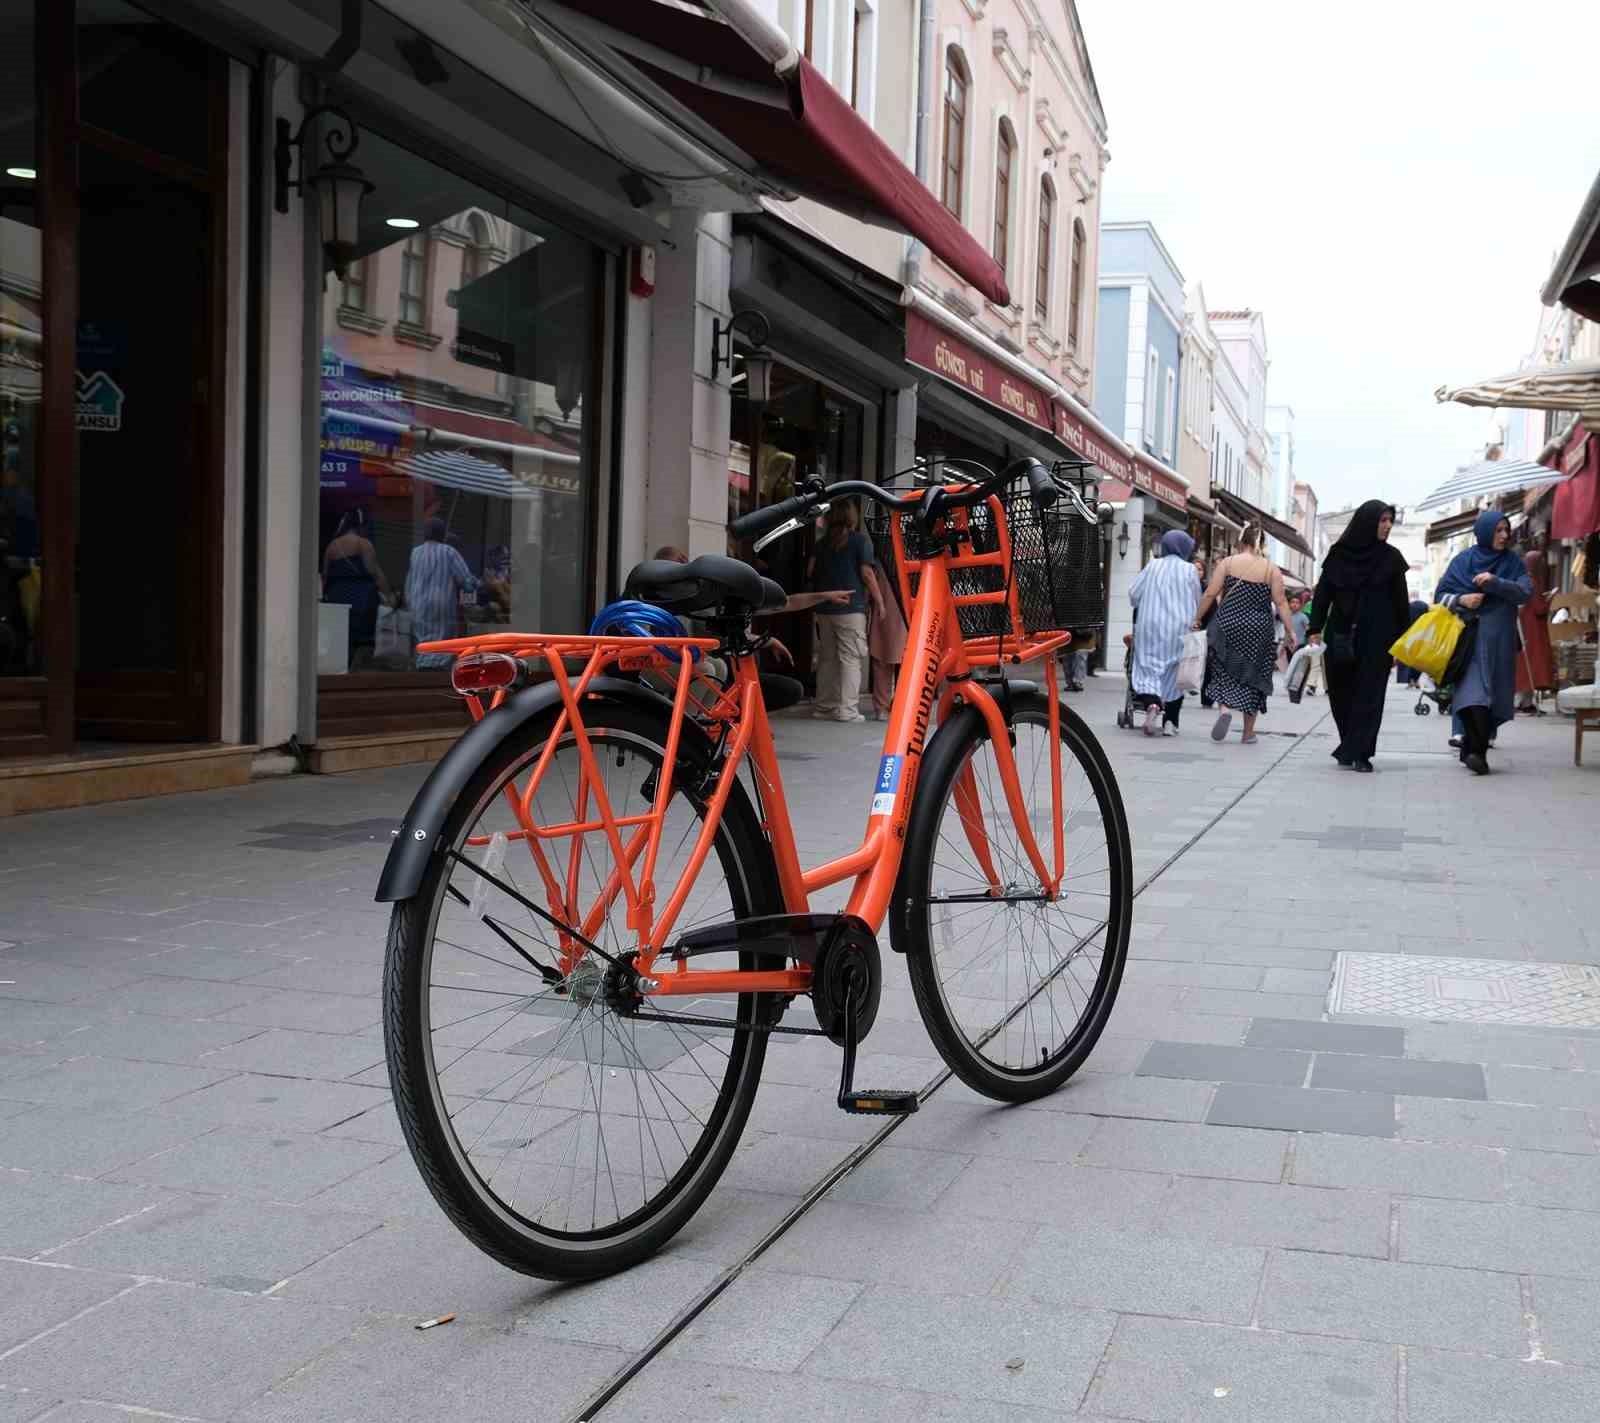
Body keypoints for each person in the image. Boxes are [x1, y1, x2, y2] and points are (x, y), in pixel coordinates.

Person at [1306, 500, 1410, 772]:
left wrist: (1403, 642)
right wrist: (1314, 628)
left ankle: (1361, 752)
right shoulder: (1338, 555)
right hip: (1340, 635)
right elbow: (1322, 596)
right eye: (1382, 520)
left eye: (1390, 521)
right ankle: (1349, 744)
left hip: (1378, 639)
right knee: (1342, 694)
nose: (1387, 526)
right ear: (1367, 522)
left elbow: (1401, 604)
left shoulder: (1392, 559)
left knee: (1370, 695)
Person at [1436, 510, 1532, 775]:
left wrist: (1495, 582)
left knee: (1495, 699)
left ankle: (1471, 747)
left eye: (1506, 530)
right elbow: (1440, 595)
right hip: (1469, 642)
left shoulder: (1512, 563)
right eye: (1498, 530)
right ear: (1484, 532)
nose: (1504, 535)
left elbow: (1525, 592)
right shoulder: (1463, 562)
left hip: (1500, 643)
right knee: (1473, 695)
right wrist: (1462, 600)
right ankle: (1478, 754)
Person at [1194, 523, 1297, 745]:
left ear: (1242, 541)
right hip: (1257, 629)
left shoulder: (1228, 563)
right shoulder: (1271, 569)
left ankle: (1224, 709)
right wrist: (1290, 631)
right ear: (1263, 544)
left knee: (1223, 667)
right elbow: (1281, 603)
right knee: (1255, 676)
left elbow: (1211, 593)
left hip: (1228, 624)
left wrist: (1197, 618)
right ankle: (1248, 733)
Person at [807, 500, 882, 722]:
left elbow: (810, 571)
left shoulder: (820, 544)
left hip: (824, 609)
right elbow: (867, 574)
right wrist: (880, 602)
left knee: (827, 658)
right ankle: (847, 710)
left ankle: (825, 706)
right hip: (851, 607)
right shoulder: (860, 542)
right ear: (852, 517)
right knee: (851, 659)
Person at [1128, 529, 1203, 736]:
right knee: (1174, 673)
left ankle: (1152, 704)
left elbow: (1133, 594)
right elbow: (1197, 600)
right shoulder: (1190, 570)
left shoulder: (1152, 565)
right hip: (1179, 628)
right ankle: (1171, 723)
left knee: (1147, 669)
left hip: (1150, 626)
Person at [321, 508, 394, 668]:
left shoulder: (332, 546)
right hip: (362, 598)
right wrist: (389, 596)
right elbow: (374, 572)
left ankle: (342, 669)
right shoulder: (363, 544)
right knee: (362, 642)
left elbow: (325, 576)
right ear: (361, 525)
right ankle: (357, 671)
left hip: (336, 599)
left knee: (340, 639)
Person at [405, 517, 479, 668]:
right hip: (441, 602)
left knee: (424, 638)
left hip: (417, 602)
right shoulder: (448, 551)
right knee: (442, 639)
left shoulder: (415, 553)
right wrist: (481, 584)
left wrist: (409, 602)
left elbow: (409, 581)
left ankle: (424, 665)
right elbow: (466, 581)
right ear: (443, 534)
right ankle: (438, 668)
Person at [864, 561, 907, 721]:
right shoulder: (908, 561)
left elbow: (868, 584)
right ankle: (900, 707)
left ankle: (882, 708)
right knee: (906, 665)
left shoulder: (879, 562)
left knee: (882, 660)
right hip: (903, 613)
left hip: (884, 613)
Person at [1515, 550, 1555, 714]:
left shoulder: (1524, 580)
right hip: (1534, 630)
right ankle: (1525, 702)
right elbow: (1539, 608)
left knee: (1525, 664)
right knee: (1532, 664)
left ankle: (1524, 702)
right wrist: (1550, 598)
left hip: (1525, 627)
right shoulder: (1533, 582)